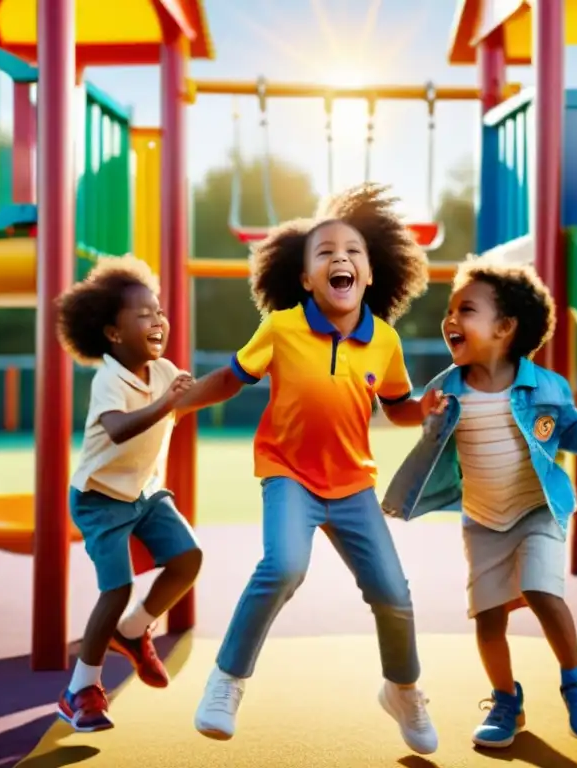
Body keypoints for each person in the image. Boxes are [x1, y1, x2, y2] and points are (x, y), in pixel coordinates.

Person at [179, 184, 444, 755]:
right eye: (323, 253)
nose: (338, 258)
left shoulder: (386, 342)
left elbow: (397, 407)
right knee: (283, 567)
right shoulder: (281, 327)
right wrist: (180, 402)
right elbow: (231, 378)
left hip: (353, 485)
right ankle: (227, 681)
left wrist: (422, 410)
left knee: (393, 594)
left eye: (352, 251)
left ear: (370, 273)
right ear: (305, 279)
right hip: (288, 474)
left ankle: (403, 690)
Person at [383, 255, 577, 748]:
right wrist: (416, 415)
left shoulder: (545, 387)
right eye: (451, 310)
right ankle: (506, 699)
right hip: (482, 520)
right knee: (487, 619)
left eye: (467, 311)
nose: (450, 320)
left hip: (535, 510)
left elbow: (572, 430)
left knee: (544, 593)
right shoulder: (446, 388)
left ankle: (576, 680)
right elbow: (424, 436)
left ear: (504, 327)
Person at [53, 256, 209, 732]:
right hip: (99, 499)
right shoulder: (109, 379)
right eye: (143, 314)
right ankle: (80, 688)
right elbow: (118, 429)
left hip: (144, 493)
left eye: (158, 311)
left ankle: (135, 629)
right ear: (114, 334)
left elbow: (200, 393)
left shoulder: (163, 372)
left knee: (188, 559)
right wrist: (167, 404)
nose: (157, 319)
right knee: (116, 587)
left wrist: (252, 369)